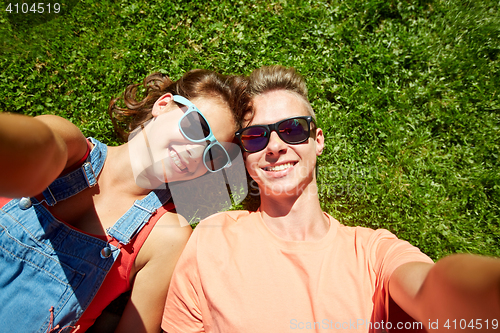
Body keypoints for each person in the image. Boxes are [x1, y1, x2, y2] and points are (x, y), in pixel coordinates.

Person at [161, 65, 500, 333]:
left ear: (317, 140)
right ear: (245, 155)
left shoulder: (372, 252)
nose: (276, 147)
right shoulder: (211, 239)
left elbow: (432, 287)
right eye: (255, 137)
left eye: (292, 129)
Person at [0, 69, 248, 332]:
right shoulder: (71, 148)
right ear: (163, 105)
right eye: (197, 126)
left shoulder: (166, 237)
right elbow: (32, 142)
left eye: (213, 154)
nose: (196, 152)